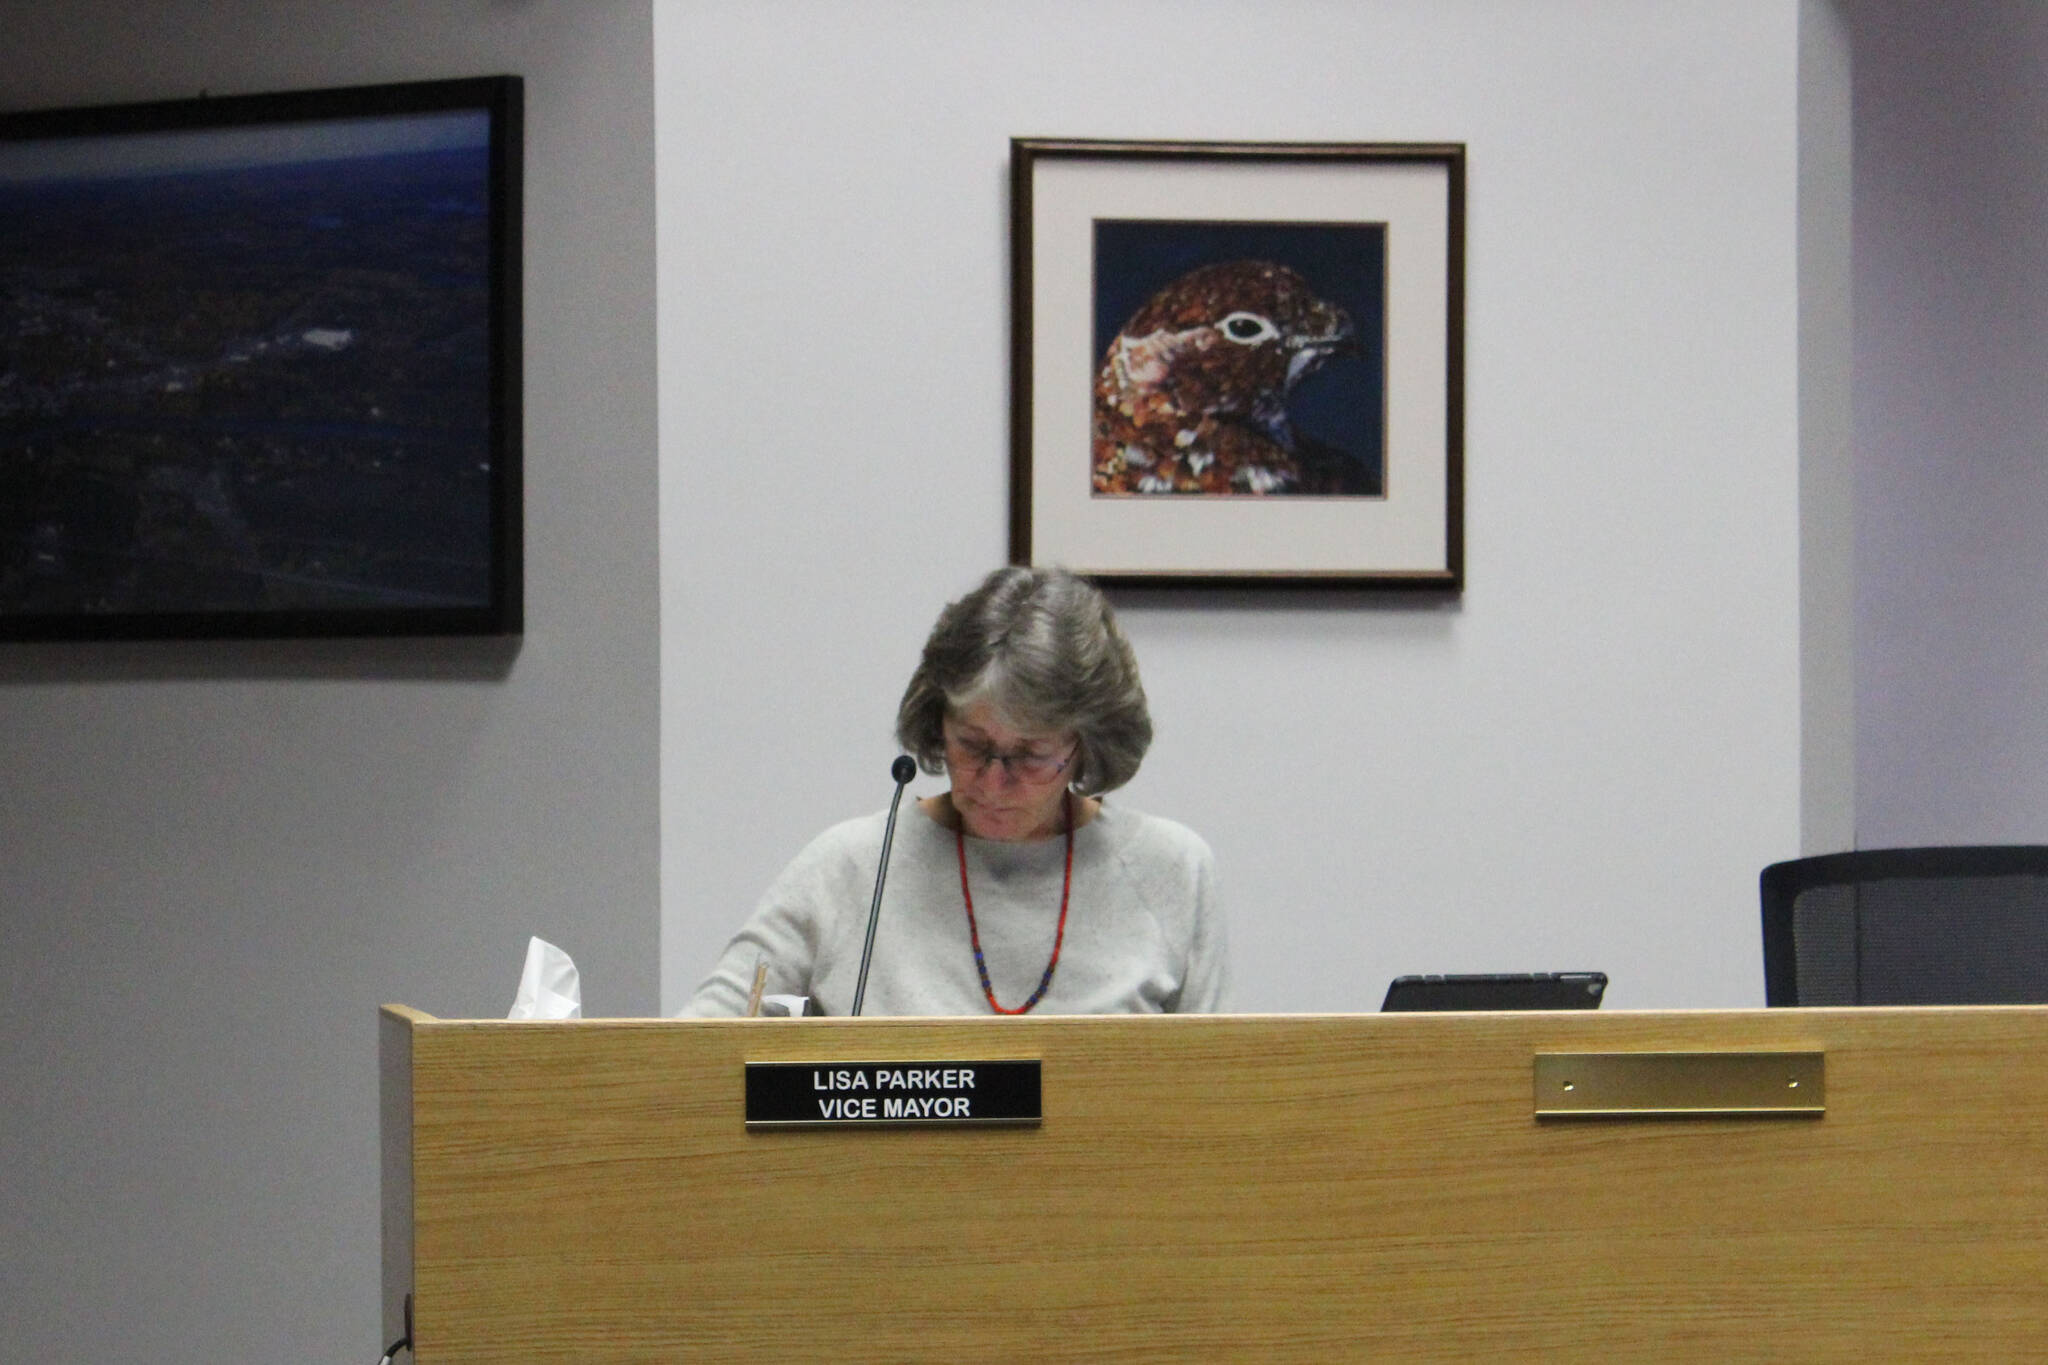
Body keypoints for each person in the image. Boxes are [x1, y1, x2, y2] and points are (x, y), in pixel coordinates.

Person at [680, 566, 1225, 1017]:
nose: (993, 782)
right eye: (971, 745)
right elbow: (699, 1050)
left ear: (1087, 743)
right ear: (937, 721)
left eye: (1030, 755)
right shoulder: (849, 869)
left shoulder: (1171, 869)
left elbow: (1217, 1101)